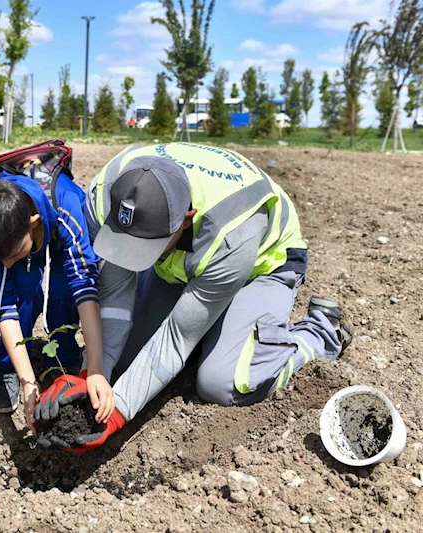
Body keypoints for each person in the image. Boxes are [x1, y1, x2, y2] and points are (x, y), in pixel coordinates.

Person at [34, 143, 351, 451]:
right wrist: (93, 373)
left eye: (144, 246)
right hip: (181, 267)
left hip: (259, 266)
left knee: (223, 382)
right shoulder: (107, 193)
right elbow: (116, 292)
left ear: (186, 219)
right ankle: (220, 330)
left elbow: (176, 337)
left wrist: (117, 414)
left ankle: (319, 333)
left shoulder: (232, 231)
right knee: (126, 364)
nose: (130, 255)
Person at [0, 167, 114, 433]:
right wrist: (28, 382)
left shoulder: (66, 207)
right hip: (21, 237)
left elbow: (84, 286)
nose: (7, 263)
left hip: (53, 228)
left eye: (13, 254)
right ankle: (7, 365)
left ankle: (64, 356)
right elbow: (3, 304)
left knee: (63, 287)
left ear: (32, 222)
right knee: (22, 286)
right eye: (0, 259)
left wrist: (96, 370)